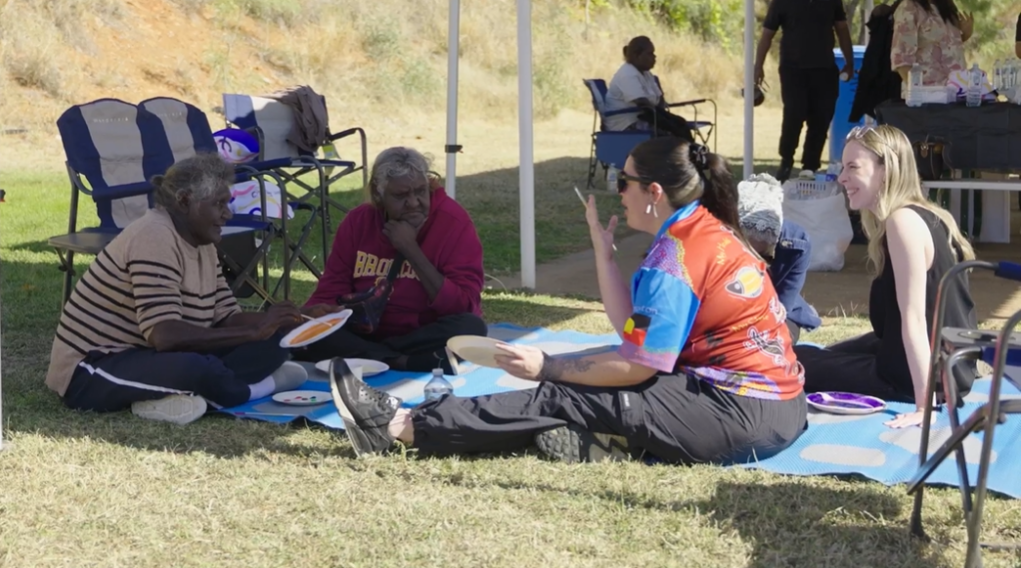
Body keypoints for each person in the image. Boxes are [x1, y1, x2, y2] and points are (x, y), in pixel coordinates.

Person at [328, 137, 808, 464]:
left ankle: (402, 427)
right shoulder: (704, 230)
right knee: (583, 383)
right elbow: (634, 343)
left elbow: (637, 367)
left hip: (741, 414)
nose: (618, 193)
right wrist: (604, 256)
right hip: (774, 408)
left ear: (654, 192)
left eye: (625, 182)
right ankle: (600, 442)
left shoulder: (676, 256)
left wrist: (547, 367)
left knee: (566, 391)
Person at [45, 154, 321, 425]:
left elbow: (226, 317)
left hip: (152, 356)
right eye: (219, 204)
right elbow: (165, 336)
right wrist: (253, 331)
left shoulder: (203, 243)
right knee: (198, 368)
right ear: (185, 200)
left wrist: (297, 318)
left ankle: (178, 396)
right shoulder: (153, 235)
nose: (227, 214)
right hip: (95, 367)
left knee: (276, 341)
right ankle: (255, 389)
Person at [793, 125, 979, 429]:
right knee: (816, 354)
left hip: (919, 377)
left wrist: (924, 408)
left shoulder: (901, 222)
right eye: (843, 167)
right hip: (951, 366)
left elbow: (915, 320)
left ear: (886, 170)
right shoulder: (927, 214)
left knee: (794, 364)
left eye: (853, 167)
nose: (842, 178)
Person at [293, 147, 486, 375]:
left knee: (471, 328)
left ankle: (375, 357)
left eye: (420, 191)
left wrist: (411, 250)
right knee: (314, 333)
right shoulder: (357, 222)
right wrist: (316, 315)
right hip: (365, 329)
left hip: (423, 331)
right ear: (378, 194)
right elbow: (332, 287)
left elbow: (463, 305)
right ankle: (400, 361)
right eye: (401, 196)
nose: (414, 203)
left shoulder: (453, 222)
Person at [755, 0, 856, 182]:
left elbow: (842, 30)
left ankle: (810, 165)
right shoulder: (781, 3)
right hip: (793, 69)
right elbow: (767, 34)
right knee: (794, 113)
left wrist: (849, 62)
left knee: (821, 117)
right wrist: (758, 66)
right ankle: (786, 160)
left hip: (824, 68)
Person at [737, 174, 821, 343]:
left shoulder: (797, 245)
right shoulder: (718, 238)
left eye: (764, 250)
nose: (757, 257)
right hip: (731, 310)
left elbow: (783, 303)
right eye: (749, 247)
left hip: (775, 311)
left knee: (777, 343)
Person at [602, 36, 694, 142]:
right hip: (626, 124)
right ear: (637, 56)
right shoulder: (627, 74)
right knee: (672, 134)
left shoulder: (646, 73)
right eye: (650, 54)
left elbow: (659, 99)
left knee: (680, 124)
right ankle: (684, 156)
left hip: (644, 116)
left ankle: (692, 155)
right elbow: (642, 104)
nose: (654, 57)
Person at [890, 0, 972, 87]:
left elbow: (945, 46)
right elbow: (901, 57)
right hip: (928, 93)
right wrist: (916, 91)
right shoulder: (909, 7)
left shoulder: (946, 7)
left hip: (958, 90)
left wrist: (965, 35)